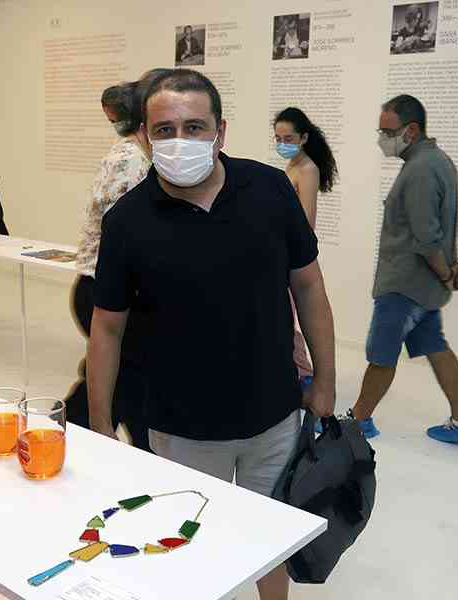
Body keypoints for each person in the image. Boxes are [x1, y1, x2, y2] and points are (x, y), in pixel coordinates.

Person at [88, 69, 336, 600]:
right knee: (187, 545)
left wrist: (326, 382)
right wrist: (101, 423)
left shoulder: (269, 189)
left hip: (273, 415)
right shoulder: (127, 222)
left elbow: (310, 286)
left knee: (271, 539)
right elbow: (107, 326)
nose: (180, 140)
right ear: (144, 136)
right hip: (181, 428)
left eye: (195, 127)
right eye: (165, 129)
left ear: (220, 132)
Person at [350, 94, 458, 443]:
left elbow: (426, 236)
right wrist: (449, 267)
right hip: (423, 287)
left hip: (404, 285)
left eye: (388, 132)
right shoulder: (437, 161)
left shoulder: (420, 169)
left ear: (410, 130)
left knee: (381, 354)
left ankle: (357, 422)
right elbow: (438, 227)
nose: (383, 139)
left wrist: (446, 273)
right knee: (436, 346)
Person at [65, 70, 170, 452]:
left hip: (117, 288)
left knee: (126, 379)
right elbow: (123, 233)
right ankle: (70, 434)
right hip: (105, 289)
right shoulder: (129, 159)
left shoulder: (143, 156)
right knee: (126, 381)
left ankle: (67, 432)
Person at [273, 107, 338, 384]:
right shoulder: (294, 164)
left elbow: (306, 221)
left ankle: (304, 376)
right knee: (283, 315)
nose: (282, 144)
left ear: (303, 138)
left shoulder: (307, 169)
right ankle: (299, 372)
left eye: (288, 139)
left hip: (292, 255)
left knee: (286, 316)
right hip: (283, 250)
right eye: (278, 139)